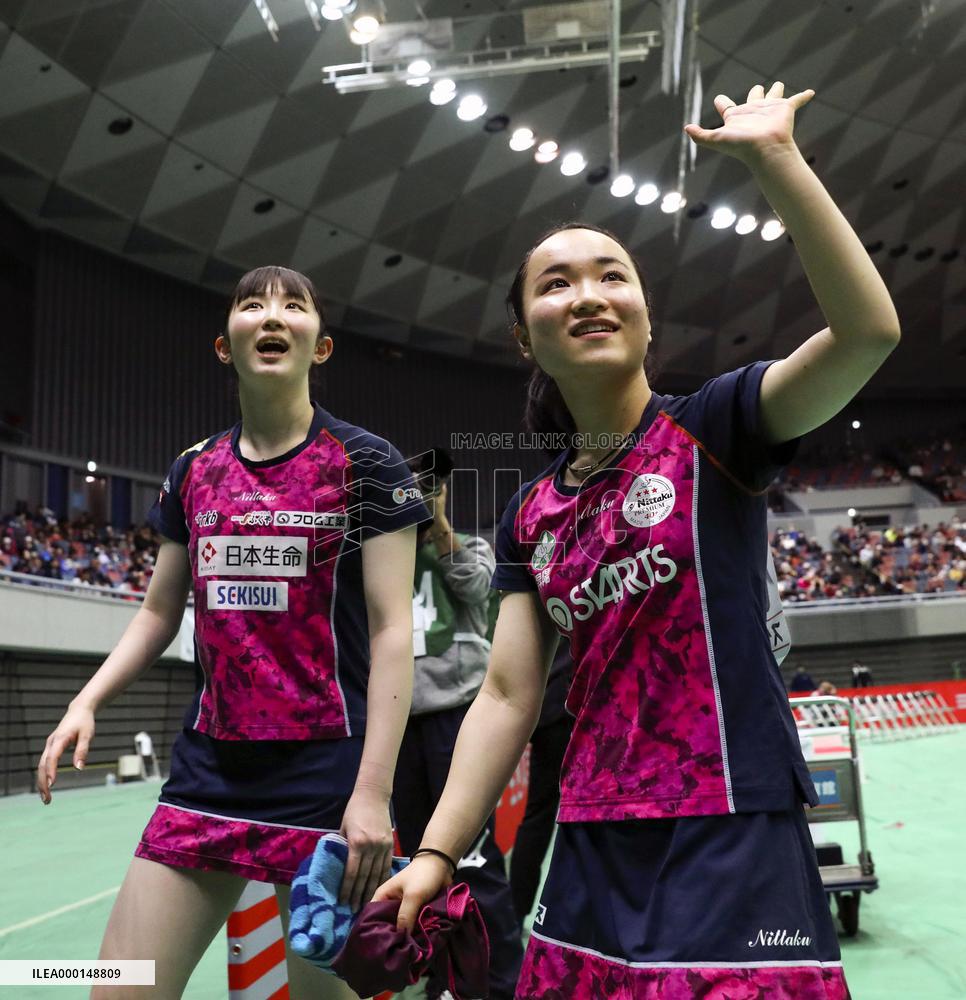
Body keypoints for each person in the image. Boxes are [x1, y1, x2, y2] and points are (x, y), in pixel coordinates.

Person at [374, 81, 900, 999]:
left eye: (613, 275)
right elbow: (504, 696)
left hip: (731, 828)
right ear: (526, 339)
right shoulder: (530, 514)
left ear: (646, 316)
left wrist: (776, 159)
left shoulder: (715, 427)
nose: (589, 294)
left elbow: (866, 334)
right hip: (590, 838)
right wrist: (436, 854)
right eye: (557, 283)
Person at [36, 266, 428, 999]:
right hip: (210, 772)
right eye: (253, 305)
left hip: (327, 782)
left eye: (293, 306)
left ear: (321, 345)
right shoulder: (193, 471)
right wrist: (84, 701)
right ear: (226, 345)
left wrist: (372, 793)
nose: (272, 316)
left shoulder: (368, 464)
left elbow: (390, 632)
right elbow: (159, 612)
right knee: (116, 989)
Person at [394, 447, 523, 999]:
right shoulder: (384, 559)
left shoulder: (470, 548)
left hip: (457, 723)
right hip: (400, 729)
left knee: (472, 858)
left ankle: (500, 982)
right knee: (419, 864)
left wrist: (439, 518)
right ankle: (443, 981)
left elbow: (478, 590)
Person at [507, 638, 573, 925]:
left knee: (539, 813)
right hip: (565, 707)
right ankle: (520, 909)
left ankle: (516, 910)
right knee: (550, 814)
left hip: (549, 708)